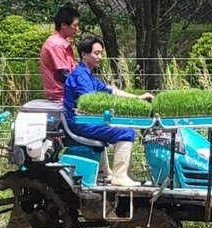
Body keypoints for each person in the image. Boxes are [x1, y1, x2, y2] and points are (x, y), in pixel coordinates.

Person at [62, 35, 153, 187]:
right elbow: (91, 102)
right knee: (126, 132)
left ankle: (106, 172)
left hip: (84, 121)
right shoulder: (81, 76)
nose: (100, 57)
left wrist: (138, 98)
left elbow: (112, 91)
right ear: (84, 54)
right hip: (80, 123)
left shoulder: (87, 75)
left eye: (101, 53)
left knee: (115, 128)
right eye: (96, 53)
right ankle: (119, 176)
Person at [40, 6, 81, 102]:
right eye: (75, 25)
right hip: (61, 97)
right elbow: (63, 75)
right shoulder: (56, 44)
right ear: (63, 25)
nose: (77, 29)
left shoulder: (62, 43)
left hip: (66, 94)